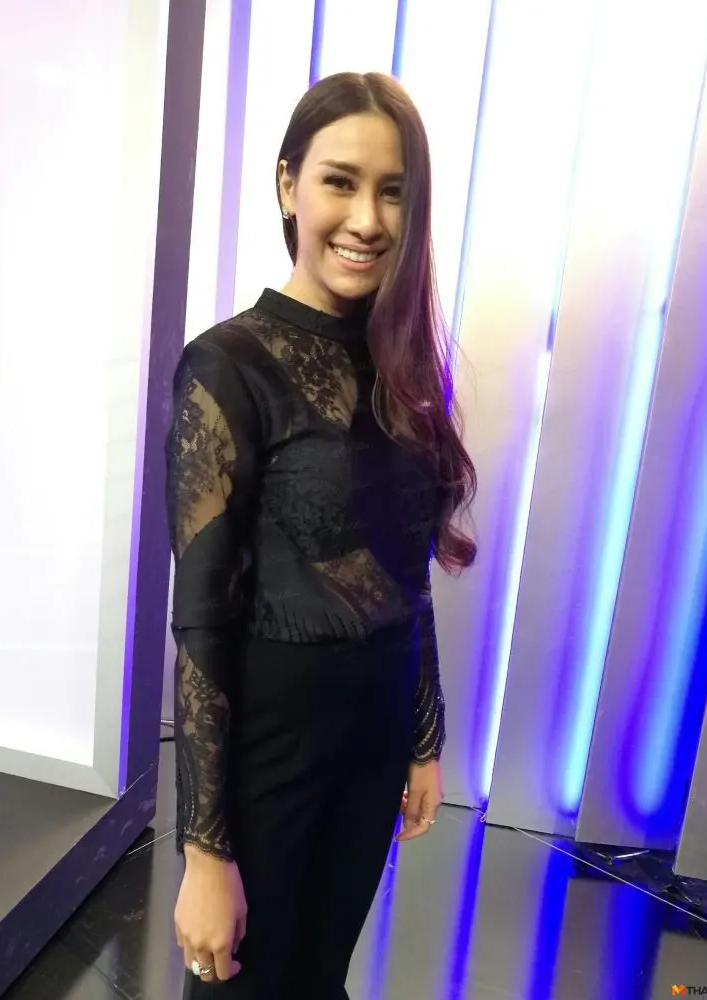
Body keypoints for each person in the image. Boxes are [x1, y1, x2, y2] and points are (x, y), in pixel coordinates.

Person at [165, 71, 476, 999]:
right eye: (341, 181)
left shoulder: (405, 364)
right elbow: (201, 623)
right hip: (273, 748)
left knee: (318, 981)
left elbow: (407, 575)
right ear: (288, 183)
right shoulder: (227, 365)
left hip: (372, 739)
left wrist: (423, 737)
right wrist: (204, 852)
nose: (368, 219)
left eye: (394, 191)